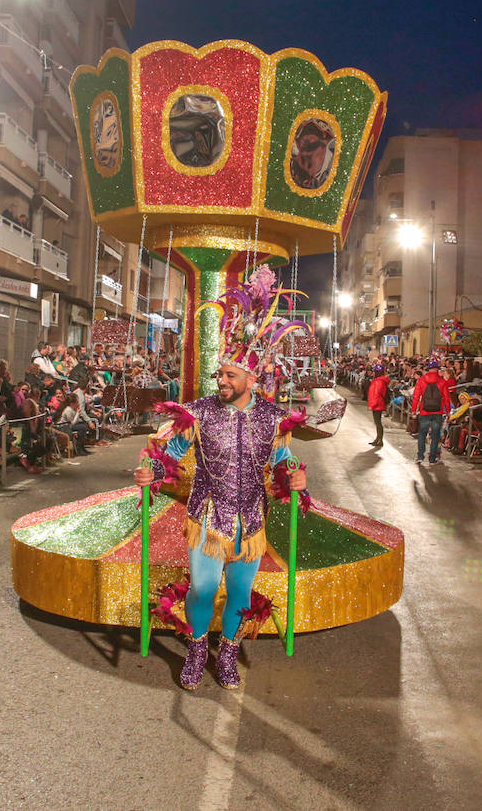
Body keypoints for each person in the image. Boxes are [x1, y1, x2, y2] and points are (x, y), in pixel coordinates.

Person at [132, 265, 307, 691]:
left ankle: (227, 652)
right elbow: (170, 453)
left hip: (252, 519)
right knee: (205, 588)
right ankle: (196, 649)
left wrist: (296, 480)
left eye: (230, 375)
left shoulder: (271, 417)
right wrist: (149, 473)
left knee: (241, 597)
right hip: (208, 515)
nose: (221, 381)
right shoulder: (201, 412)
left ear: (251, 378)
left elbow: (284, 461)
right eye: (220, 374)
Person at [411, 358, 452, 465]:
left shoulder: (421, 380)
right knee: (435, 436)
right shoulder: (442, 381)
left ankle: (420, 456)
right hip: (437, 412)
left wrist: (414, 410)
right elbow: (447, 398)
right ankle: (432, 459)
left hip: (424, 412)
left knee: (422, 434)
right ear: (437, 370)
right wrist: (448, 411)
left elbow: (416, 397)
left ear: (428, 369)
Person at [367, 362, 389, 447]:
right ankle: (378, 439)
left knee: (378, 423)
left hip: (377, 405)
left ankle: (379, 440)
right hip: (379, 404)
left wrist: (372, 405)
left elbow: (376, 394)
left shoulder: (378, 382)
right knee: (377, 423)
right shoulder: (379, 381)